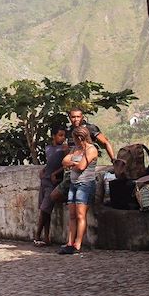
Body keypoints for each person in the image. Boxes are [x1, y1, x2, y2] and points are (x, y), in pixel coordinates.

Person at [49, 107, 114, 205]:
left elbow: (105, 142)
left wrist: (113, 160)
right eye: (73, 117)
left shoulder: (90, 128)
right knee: (56, 197)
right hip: (70, 173)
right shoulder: (68, 130)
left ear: (82, 116)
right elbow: (66, 155)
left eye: (78, 117)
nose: (76, 119)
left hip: (84, 173)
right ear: (69, 117)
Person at [59, 125, 98, 254]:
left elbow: (81, 167)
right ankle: (70, 242)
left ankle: (78, 243)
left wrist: (73, 164)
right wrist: (73, 163)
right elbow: (64, 162)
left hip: (85, 184)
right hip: (74, 183)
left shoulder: (91, 150)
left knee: (80, 214)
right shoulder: (75, 149)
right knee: (72, 214)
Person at [33, 126, 67, 246]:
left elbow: (67, 164)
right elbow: (51, 162)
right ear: (53, 136)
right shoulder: (48, 148)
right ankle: (46, 237)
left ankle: (37, 235)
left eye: (64, 136)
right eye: (60, 135)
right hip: (45, 180)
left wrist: (55, 173)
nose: (62, 138)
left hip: (54, 182)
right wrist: (44, 169)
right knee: (45, 210)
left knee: (44, 209)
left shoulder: (64, 149)